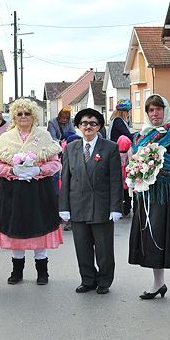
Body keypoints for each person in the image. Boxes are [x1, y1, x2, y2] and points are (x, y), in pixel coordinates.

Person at [128, 95, 170, 304]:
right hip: (149, 196)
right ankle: (158, 283)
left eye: (158, 109)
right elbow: (135, 163)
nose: (154, 114)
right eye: (150, 110)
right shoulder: (141, 136)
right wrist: (133, 180)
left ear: (165, 110)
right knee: (152, 237)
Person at [0, 98, 64, 285]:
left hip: (38, 191)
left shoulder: (44, 136)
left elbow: (56, 164)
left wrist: (38, 170)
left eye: (27, 113)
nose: (23, 117)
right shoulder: (6, 138)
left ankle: (42, 272)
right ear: (14, 116)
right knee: (16, 229)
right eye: (19, 113)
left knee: (39, 228)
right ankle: (17, 271)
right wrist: (12, 171)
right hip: (13, 192)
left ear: (34, 116)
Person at [59, 108, 122, 294]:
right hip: (77, 203)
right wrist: (64, 206)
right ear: (78, 126)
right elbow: (66, 178)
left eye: (93, 123)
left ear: (99, 127)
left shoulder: (110, 148)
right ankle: (87, 279)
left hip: (101, 205)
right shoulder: (71, 148)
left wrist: (116, 207)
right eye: (84, 123)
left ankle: (104, 280)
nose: (88, 127)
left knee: (103, 248)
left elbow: (115, 180)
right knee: (82, 246)